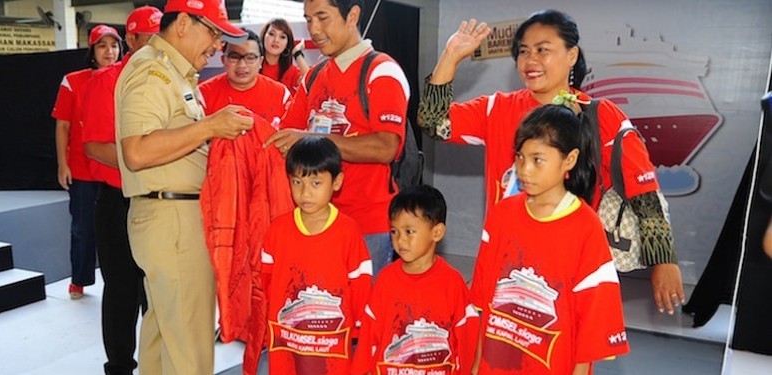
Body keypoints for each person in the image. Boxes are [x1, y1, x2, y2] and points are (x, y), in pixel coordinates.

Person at [418, 10, 684, 314]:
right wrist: (450, 57)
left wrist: (664, 260)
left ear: (572, 55)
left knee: (562, 356)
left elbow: (644, 190)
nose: (531, 60)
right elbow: (433, 123)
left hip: (570, 270)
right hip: (502, 265)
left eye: (543, 50)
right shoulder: (498, 109)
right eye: (523, 52)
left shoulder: (603, 116)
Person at [114, 0, 251, 372]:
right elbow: (136, 151)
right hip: (172, 220)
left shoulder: (178, 75)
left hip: (174, 217)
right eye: (213, 32)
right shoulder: (153, 73)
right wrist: (209, 127)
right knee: (190, 350)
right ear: (184, 24)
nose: (217, 45)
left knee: (164, 341)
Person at [470, 104, 629, 374]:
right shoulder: (502, 215)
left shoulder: (586, 228)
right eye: (520, 157)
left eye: (537, 159)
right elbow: (484, 301)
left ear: (569, 160)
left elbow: (592, 324)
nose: (524, 169)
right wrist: (475, 367)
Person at [266, 0, 410, 278]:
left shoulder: (382, 71)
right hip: (314, 220)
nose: (314, 29)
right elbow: (286, 138)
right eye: (308, 20)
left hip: (366, 225)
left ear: (352, 15)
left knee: (362, 315)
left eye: (322, 17)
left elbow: (386, 147)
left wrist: (312, 140)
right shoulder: (315, 76)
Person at [81, 6, 162, 375]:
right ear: (132, 40)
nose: (159, 45)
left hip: (161, 204)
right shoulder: (108, 80)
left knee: (158, 293)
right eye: (150, 37)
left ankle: (155, 365)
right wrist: (150, 161)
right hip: (120, 202)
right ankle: (119, 367)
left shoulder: (169, 78)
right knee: (122, 292)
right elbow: (95, 146)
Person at [260, 135, 372, 375]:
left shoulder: (348, 232)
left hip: (332, 345)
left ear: (337, 181)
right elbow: (266, 279)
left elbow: (360, 284)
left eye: (315, 183)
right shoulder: (277, 230)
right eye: (297, 182)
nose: (305, 193)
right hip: (287, 342)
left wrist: (360, 331)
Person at [353, 184, 479, 375]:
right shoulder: (385, 281)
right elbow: (369, 336)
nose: (400, 240)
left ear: (437, 232)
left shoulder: (452, 283)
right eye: (394, 231)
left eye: (409, 231)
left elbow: (468, 338)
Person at [52, 24, 122, 299]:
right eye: (102, 45)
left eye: (114, 45)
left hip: (116, 168)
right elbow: (62, 127)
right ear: (92, 51)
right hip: (82, 169)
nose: (109, 51)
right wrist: (62, 164)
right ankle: (79, 279)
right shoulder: (73, 80)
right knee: (82, 227)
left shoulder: (127, 78)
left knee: (117, 229)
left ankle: (116, 282)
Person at [200, 29, 292, 126]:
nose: (242, 65)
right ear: (223, 60)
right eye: (234, 57)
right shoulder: (203, 95)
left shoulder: (281, 95)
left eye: (250, 58)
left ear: (260, 62)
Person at [260, 18, 310, 95]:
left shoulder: (291, 72)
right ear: (263, 37)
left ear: (287, 44)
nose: (276, 40)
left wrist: (297, 53)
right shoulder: (252, 66)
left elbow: (311, 82)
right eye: (272, 34)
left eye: (282, 37)